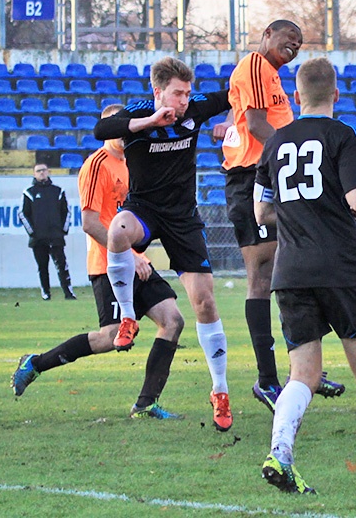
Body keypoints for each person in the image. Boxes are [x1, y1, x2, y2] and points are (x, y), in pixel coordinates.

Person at [253, 57, 356, 493]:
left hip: (290, 271)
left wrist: (305, 214)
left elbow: (262, 211)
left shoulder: (274, 144)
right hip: (340, 267)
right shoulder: (341, 134)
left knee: (302, 374)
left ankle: (280, 453)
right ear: (336, 95)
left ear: (295, 96)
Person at [12, 104, 185, 419]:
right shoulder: (97, 165)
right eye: (115, 127)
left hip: (136, 261)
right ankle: (35, 364)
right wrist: (131, 254)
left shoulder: (133, 163)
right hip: (110, 265)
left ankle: (146, 404)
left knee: (172, 320)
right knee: (110, 336)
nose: (122, 132)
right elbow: (90, 222)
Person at [93, 57, 235, 432]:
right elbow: (101, 127)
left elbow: (239, 94)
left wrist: (230, 125)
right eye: (177, 93)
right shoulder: (140, 111)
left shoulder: (195, 108)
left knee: (204, 301)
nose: (185, 100)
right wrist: (149, 122)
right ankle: (127, 315)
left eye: (187, 93)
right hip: (145, 209)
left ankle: (220, 390)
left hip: (183, 218)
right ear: (158, 92)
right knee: (118, 230)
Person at [216, 20, 344, 412]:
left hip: (270, 178)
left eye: (301, 43)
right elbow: (256, 125)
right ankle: (268, 380)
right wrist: (292, 151)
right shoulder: (255, 65)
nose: (295, 44)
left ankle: (304, 371)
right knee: (265, 276)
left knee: (297, 269)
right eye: (289, 37)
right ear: (267, 34)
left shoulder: (270, 77)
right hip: (252, 180)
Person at [18, 163, 77, 300]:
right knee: (42, 267)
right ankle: (46, 293)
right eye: (38, 171)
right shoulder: (29, 192)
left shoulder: (58, 191)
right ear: (34, 174)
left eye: (44, 170)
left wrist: (63, 230)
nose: (42, 173)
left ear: (48, 171)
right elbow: (22, 214)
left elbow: (66, 212)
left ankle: (68, 293)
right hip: (38, 239)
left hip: (56, 236)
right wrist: (33, 233)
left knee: (62, 266)